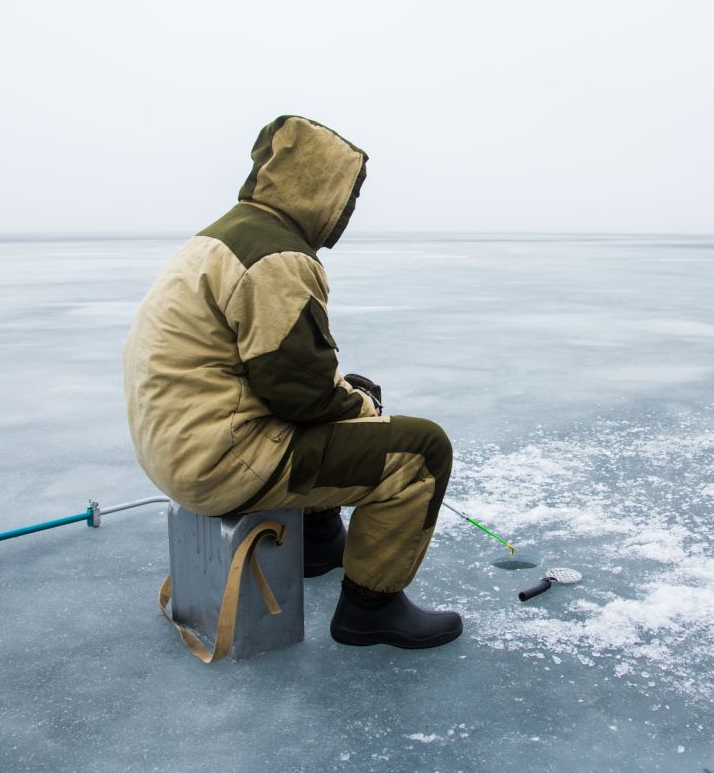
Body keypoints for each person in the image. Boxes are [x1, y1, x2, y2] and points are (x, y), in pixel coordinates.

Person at [123, 115, 462, 649]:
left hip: (179, 445)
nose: (347, 212)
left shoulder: (220, 238)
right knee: (422, 451)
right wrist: (365, 408)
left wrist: (349, 396)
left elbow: (280, 375)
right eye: (346, 197)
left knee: (349, 394)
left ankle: (319, 544)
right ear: (318, 188)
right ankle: (371, 610)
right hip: (221, 460)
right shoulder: (276, 257)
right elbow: (303, 394)